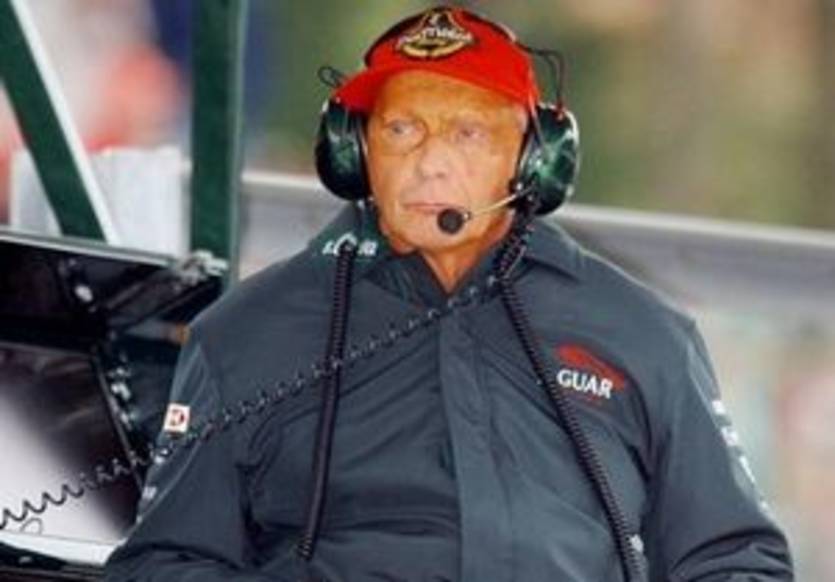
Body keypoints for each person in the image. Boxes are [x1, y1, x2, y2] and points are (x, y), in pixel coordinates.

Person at [104, 6, 793, 581]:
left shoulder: (642, 333)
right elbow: (162, 563)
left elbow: (736, 560)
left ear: (533, 159)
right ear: (354, 151)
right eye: (402, 129)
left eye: (468, 132)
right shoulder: (245, 334)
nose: (430, 161)